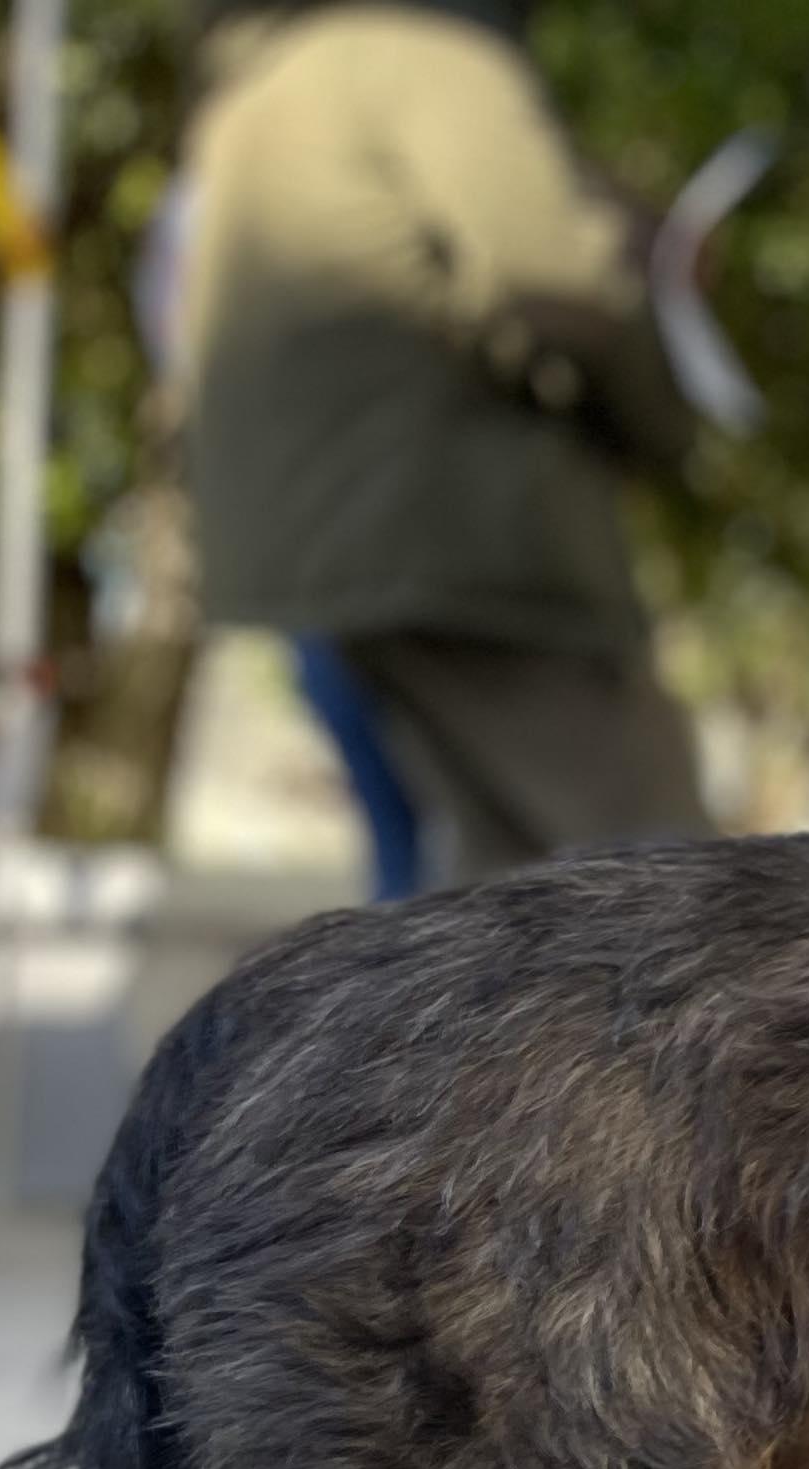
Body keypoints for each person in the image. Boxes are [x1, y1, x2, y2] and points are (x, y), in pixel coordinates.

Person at [176, 0, 710, 885]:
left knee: (502, 895)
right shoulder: (431, 55)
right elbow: (559, 283)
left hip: (327, 555)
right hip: (469, 544)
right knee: (666, 886)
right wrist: (667, 426)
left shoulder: (257, 89)